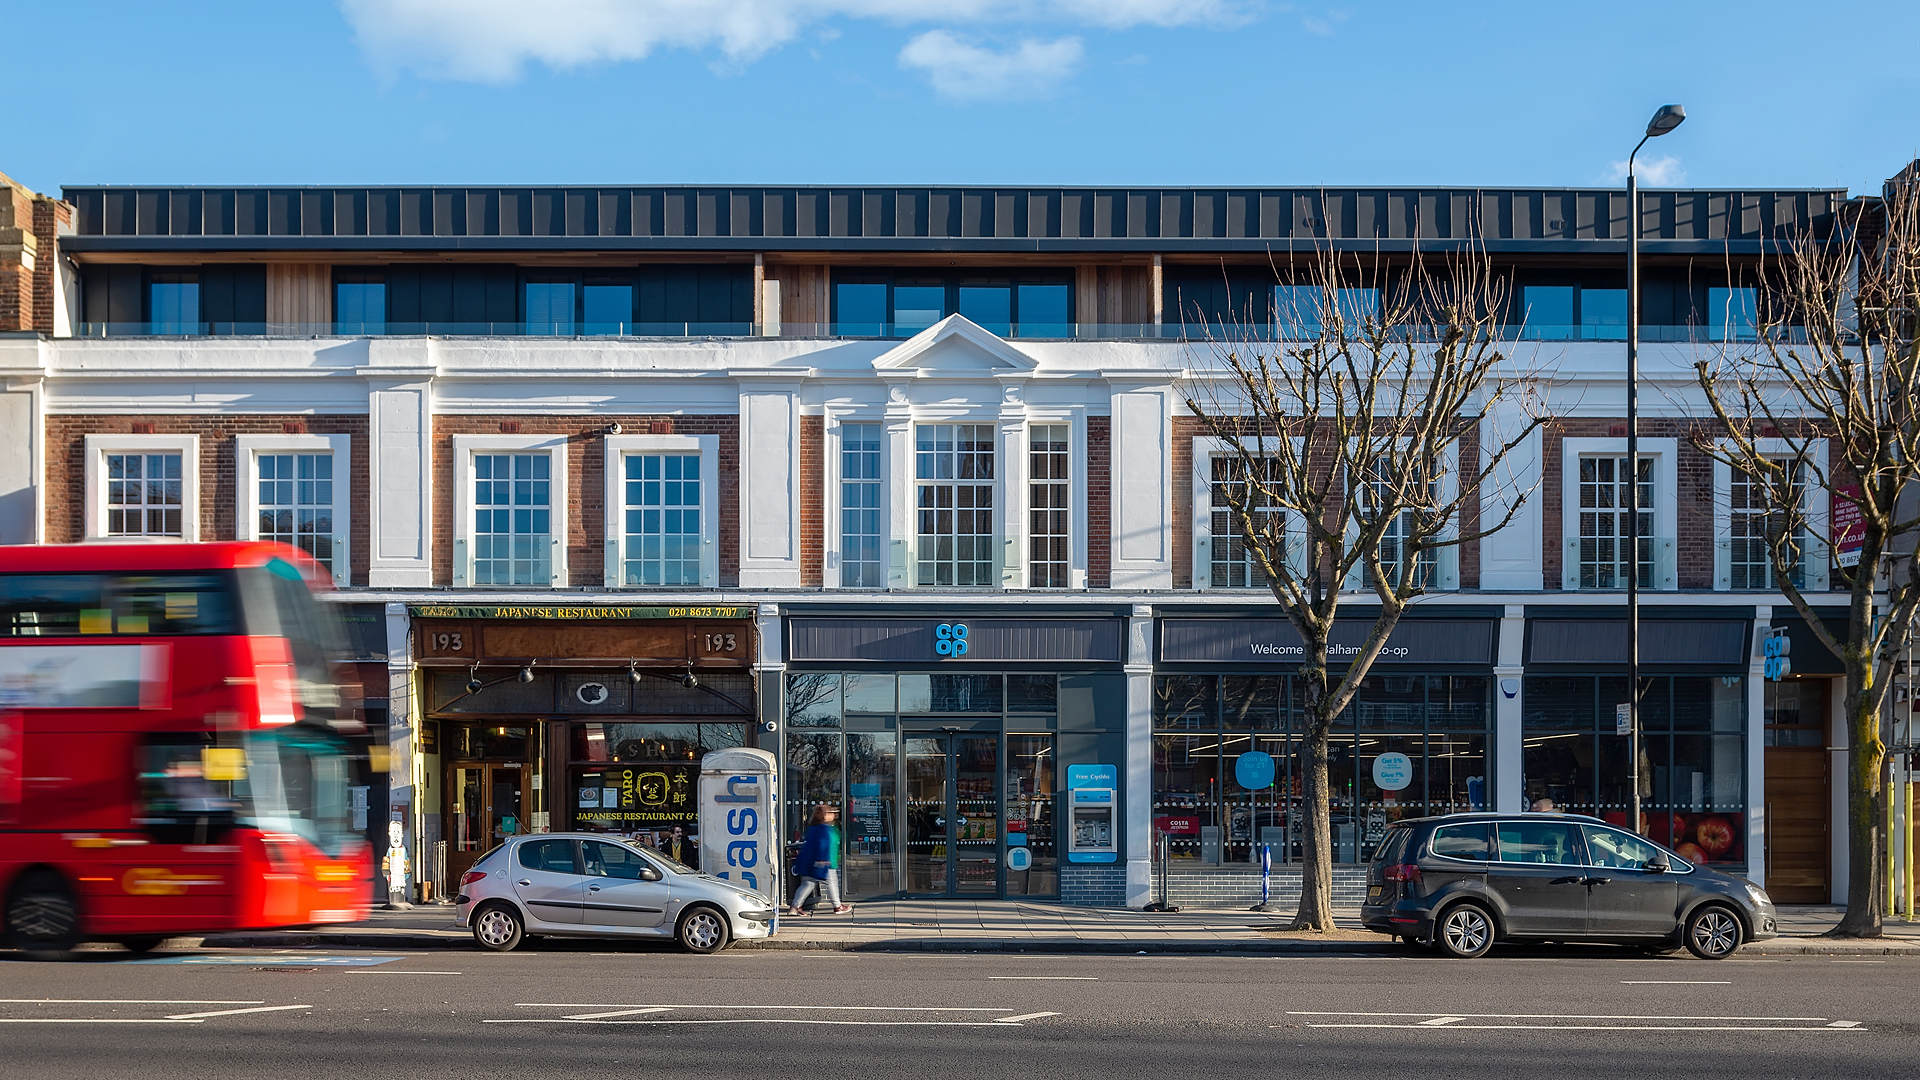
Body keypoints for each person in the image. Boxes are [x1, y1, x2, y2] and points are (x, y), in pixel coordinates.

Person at [789, 804, 851, 915]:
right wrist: (823, 859)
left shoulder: (813, 828)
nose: (833, 815)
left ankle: (795, 907)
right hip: (825, 862)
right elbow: (823, 844)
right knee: (831, 883)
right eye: (830, 813)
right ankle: (837, 906)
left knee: (807, 883)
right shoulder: (825, 829)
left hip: (809, 861)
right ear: (824, 815)